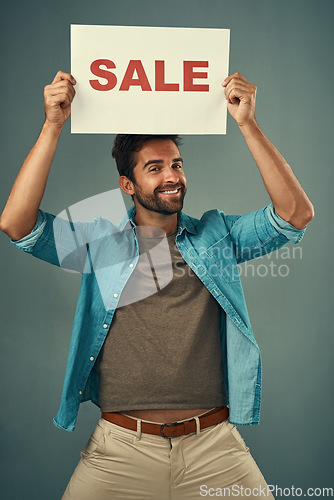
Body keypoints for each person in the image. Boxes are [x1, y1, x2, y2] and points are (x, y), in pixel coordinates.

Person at [0, 70, 314, 499]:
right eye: (155, 168)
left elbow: (295, 214)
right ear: (128, 185)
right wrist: (53, 125)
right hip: (120, 450)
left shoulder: (216, 235)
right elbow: (16, 224)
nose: (172, 176)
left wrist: (247, 124)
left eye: (176, 164)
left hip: (214, 447)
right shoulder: (99, 243)